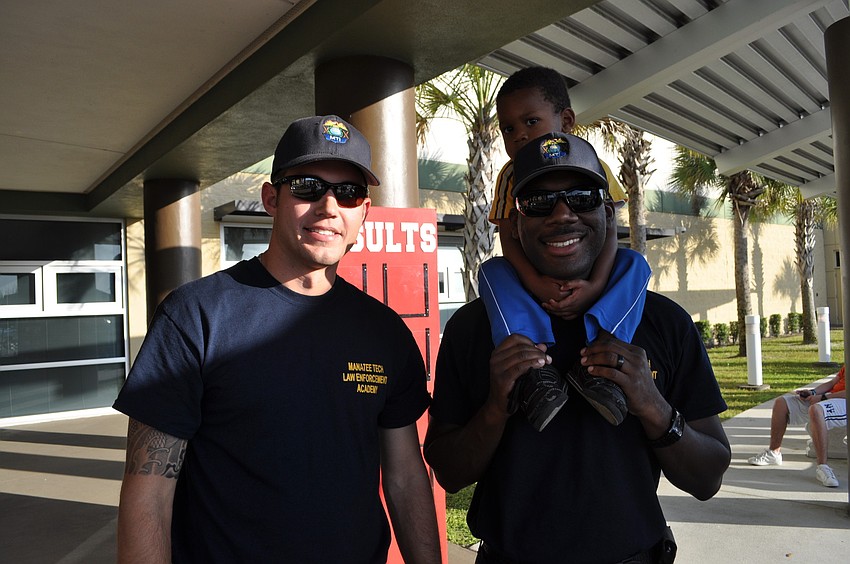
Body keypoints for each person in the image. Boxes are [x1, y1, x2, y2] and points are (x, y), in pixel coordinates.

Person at [114, 115, 441, 563]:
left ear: (364, 211)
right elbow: (149, 492)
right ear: (272, 198)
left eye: (348, 193)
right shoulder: (196, 315)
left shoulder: (384, 332)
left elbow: (405, 477)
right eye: (307, 187)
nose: (329, 207)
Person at [426, 132, 731, 563]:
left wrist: (651, 404)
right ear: (516, 223)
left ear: (606, 212)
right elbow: (449, 473)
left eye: (582, 198)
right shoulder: (474, 328)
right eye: (538, 202)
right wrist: (495, 407)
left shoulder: (664, 323)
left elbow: (707, 479)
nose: (562, 214)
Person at [479, 66, 651, 431]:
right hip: (534, 278)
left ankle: (605, 357)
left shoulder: (593, 163)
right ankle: (533, 369)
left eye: (531, 121)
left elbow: (609, 229)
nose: (519, 135)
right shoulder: (510, 176)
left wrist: (596, 284)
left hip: (592, 277)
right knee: (492, 271)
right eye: (508, 129)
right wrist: (536, 283)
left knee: (635, 263)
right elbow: (509, 236)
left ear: (567, 120)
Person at [748, 366, 847, 487]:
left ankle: (823, 467)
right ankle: (774, 453)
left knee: (816, 410)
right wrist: (813, 393)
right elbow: (832, 383)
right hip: (830, 397)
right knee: (781, 403)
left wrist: (823, 397)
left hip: (844, 401)